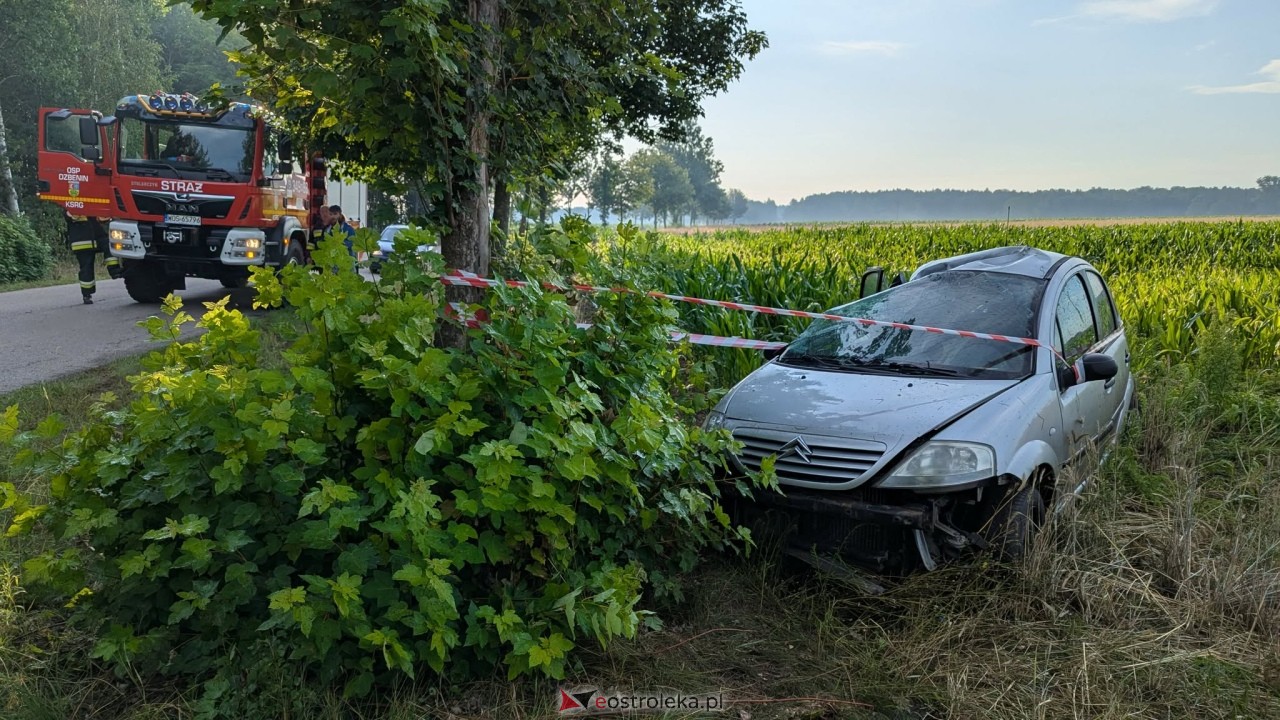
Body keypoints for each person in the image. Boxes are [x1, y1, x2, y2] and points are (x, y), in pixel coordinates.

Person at [65, 213, 117, 304]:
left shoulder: (92, 204)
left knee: (110, 245)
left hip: (96, 237)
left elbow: (102, 218)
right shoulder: (71, 206)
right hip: (82, 242)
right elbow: (70, 216)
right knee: (86, 268)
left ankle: (114, 270)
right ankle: (86, 294)